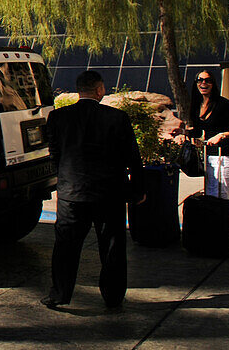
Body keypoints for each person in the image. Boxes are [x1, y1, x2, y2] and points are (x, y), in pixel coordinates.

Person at [42, 70, 144, 311]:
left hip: (72, 194)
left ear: (79, 90)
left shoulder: (58, 118)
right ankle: (113, 296)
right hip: (110, 193)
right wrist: (137, 190)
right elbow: (133, 157)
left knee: (66, 246)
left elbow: (54, 154)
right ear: (99, 90)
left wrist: (64, 179)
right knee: (111, 247)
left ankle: (59, 294)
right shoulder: (117, 118)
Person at [175, 70, 229, 200]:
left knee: (222, 195)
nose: (203, 83)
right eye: (200, 80)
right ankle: (214, 221)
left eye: (207, 80)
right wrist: (183, 134)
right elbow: (197, 131)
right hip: (209, 156)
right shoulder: (196, 106)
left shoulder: (223, 104)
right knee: (210, 195)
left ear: (213, 84)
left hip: (224, 156)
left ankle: (225, 221)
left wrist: (222, 135)